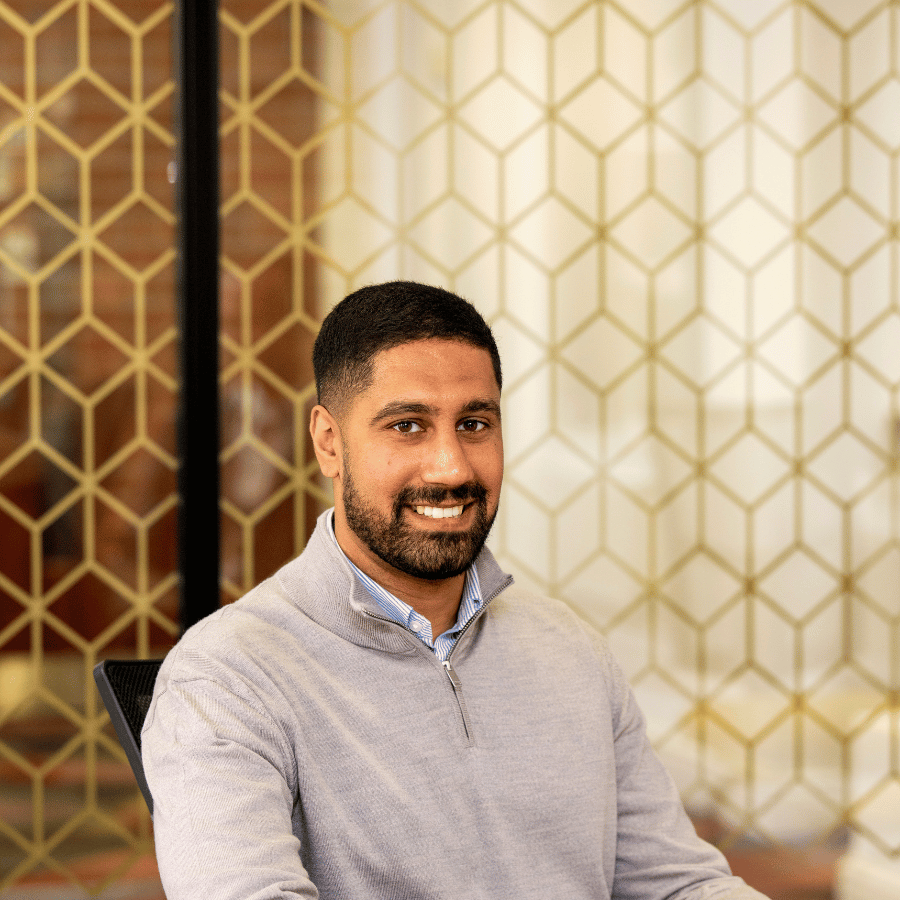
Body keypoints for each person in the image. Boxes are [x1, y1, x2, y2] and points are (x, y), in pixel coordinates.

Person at [142, 281, 769, 900]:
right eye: (408, 426)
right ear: (329, 442)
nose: (452, 467)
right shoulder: (227, 677)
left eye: (474, 423)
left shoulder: (570, 649)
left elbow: (679, 883)